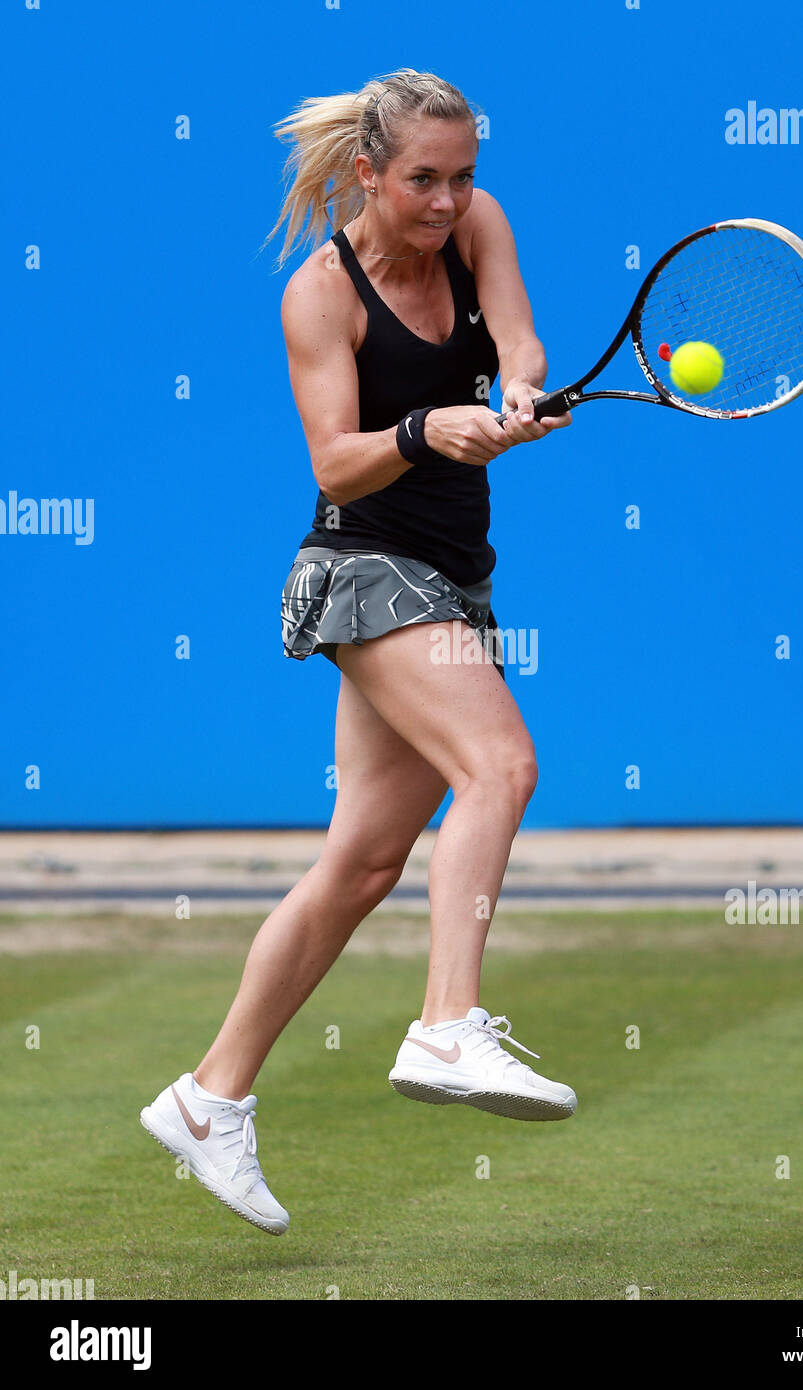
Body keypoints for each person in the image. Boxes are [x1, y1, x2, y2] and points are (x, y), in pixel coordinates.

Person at [140, 69, 574, 1236]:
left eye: (462, 175)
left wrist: (520, 393)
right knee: (502, 768)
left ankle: (206, 1096)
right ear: (368, 174)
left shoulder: (478, 226)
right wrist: (430, 428)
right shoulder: (318, 295)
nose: (446, 201)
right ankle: (446, 1023)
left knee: (364, 864)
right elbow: (335, 461)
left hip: (456, 578)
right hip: (363, 570)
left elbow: (520, 336)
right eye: (422, 179)